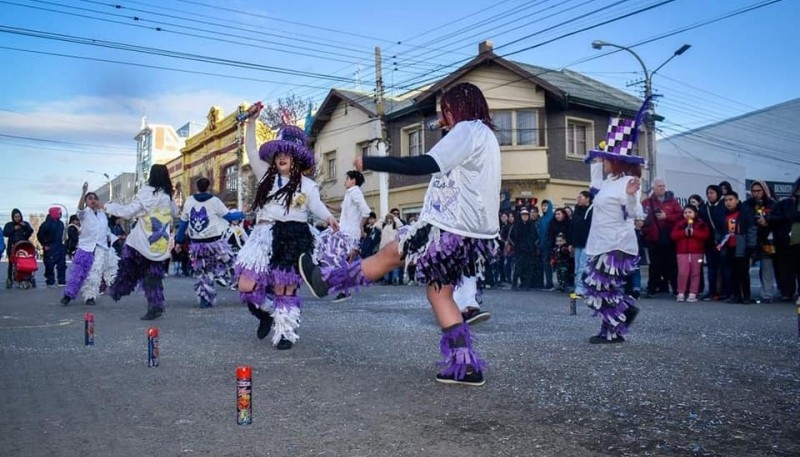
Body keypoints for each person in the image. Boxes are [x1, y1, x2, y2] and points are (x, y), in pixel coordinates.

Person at [299, 82, 499, 386]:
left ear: (456, 107)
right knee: (439, 292)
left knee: (391, 254)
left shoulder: (468, 130)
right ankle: (465, 365)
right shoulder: (486, 136)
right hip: (474, 233)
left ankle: (326, 281)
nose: (442, 116)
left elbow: (425, 163)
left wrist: (372, 162)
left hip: (450, 226)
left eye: (445, 110)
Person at [236, 108, 338, 350]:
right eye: (279, 153)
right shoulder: (265, 176)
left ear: (297, 158)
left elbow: (317, 207)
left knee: (285, 287)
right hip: (263, 235)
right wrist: (251, 122)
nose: (282, 157)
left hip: (294, 236)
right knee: (246, 285)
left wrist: (329, 218)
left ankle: (284, 333)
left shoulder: (308, 185)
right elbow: (251, 150)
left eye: (288, 154)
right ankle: (267, 313)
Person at [582, 101, 646, 344]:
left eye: (607, 158)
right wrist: (597, 159)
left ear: (616, 161)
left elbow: (634, 213)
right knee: (596, 288)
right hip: (600, 242)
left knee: (602, 288)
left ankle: (613, 328)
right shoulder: (609, 181)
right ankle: (613, 327)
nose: (604, 161)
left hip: (616, 244)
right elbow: (595, 183)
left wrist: (631, 194)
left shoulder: (629, 181)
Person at [101, 164, 178, 320]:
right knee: (154, 276)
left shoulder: (147, 193)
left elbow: (128, 212)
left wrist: (107, 206)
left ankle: (118, 289)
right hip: (159, 245)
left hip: (141, 243)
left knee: (129, 270)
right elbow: (175, 213)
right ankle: (155, 306)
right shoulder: (168, 196)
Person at [175, 177, 241, 308]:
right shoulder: (215, 201)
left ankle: (205, 298)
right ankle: (247, 287)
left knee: (203, 271)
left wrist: (179, 241)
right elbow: (228, 216)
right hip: (215, 242)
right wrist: (242, 214)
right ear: (208, 186)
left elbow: (183, 223)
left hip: (197, 244)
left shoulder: (189, 201)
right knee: (230, 263)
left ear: (197, 187)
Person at [60, 182, 118, 306]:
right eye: (89, 198)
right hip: (86, 247)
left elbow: (106, 230)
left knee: (95, 273)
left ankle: (90, 296)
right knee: (78, 272)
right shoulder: (84, 213)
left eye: (94, 198)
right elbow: (79, 209)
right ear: (86, 201)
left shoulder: (103, 215)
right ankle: (68, 295)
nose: (92, 200)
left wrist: (112, 239)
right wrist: (83, 192)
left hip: (100, 248)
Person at [318, 170, 371, 302]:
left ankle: (343, 289)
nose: (345, 181)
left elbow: (366, 211)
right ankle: (342, 288)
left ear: (353, 180)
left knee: (340, 260)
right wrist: (326, 205)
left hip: (348, 233)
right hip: (343, 231)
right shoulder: (350, 194)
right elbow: (342, 209)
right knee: (341, 260)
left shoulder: (355, 192)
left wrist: (360, 227)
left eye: (347, 178)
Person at [641, 178, 682, 297]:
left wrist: (667, 216)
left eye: (663, 186)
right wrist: (645, 230)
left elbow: (680, 216)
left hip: (669, 239)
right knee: (654, 265)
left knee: (672, 265)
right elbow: (642, 217)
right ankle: (652, 289)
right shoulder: (646, 202)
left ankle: (676, 289)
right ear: (653, 188)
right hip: (653, 239)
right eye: (659, 186)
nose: (662, 188)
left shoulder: (673, 202)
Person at [718, 191, 757, 304]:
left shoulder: (744, 212)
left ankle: (746, 296)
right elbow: (721, 230)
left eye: (730, 200)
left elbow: (751, 229)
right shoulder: (724, 214)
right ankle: (736, 295)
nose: (728, 203)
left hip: (742, 246)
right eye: (726, 200)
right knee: (732, 272)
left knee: (743, 272)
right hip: (729, 246)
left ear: (737, 200)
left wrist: (751, 245)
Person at [768, 176, 800, 304]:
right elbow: (775, 217)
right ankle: (787, 292)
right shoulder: (785, 203)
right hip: (787, 241)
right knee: (787, 269)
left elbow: (791, 216)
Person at [745, 180, 777, 303]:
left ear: (764, 190)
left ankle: (767, 295)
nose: (756, 193)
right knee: (744, 268)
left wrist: (767, 220)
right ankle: (744, 294)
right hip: (751, 239)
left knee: (767, 268)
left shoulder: (772, 204)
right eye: (753, 191)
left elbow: (777, 219)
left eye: (758, 191)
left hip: (766, 240)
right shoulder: (747, 204)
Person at [671, 205, 710, 302]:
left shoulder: (701, 224)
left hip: (697, 252)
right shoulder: (679, 224)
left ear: (695, 213)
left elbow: (705, 236)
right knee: (682, 273)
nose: (687, 214)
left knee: (695, 273)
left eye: (690, 212)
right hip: (682, 252)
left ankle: (693, 293)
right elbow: (673, 236)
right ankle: (681, 292)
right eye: (685, 212)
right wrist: (684, 232)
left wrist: (694, 233)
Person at [698, 185, 725, 301]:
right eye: (708, 192)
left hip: (723, 241)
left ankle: (724, 291)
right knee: (711, 268)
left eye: (712, 193)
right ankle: (712, 291)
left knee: (724, 267)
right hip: (709, 242)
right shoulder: (704, 207)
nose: (709, 195)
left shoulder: (723, 206)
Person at [570, 191, 593, 297]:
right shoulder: (577, 210)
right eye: (577, 197)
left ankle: (581, 287)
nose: (578, 199)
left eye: (581, 197)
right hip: (577, 242)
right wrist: (571, 242)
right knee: (577, 265)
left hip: (588, 242)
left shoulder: (592, 210)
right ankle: (578, 285)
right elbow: (573, 226)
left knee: (583, 266)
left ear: (587, 198)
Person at [37, 206, 67, 288]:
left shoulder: (61, 224)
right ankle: (50, 281)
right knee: (49, 265)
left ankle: (61, 281)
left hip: (59, 246)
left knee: (62, 265)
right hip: (50, 247)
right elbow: (39, 235)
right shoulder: (45, 224)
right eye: (59, 213)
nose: (60, 215)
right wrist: (44, 244)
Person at [3, 208, 34, 288]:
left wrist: (25, 227)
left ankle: (27, 278)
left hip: (23, 247)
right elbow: (5, 233)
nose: (17, 218)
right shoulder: (9, 225)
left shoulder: (25, 224)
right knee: (11, 264)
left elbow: (30, 231)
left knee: (25, 263)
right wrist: (14, 229)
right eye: (15, 217)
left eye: (19, 216)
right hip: (12, 247)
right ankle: (10, 278)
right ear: (13, 217)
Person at [378, 213, 403, 285]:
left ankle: (395, 279)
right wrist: (384, 218)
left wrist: (394, 217)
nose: (389, 219)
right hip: (384, 248)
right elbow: (377, 224)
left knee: (394, 264)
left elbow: (401, 224)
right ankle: (386, 279)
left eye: (390, 218)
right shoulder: (383, 226)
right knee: (386, 264)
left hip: (394, 247)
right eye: (388, 218)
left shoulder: (396, 226)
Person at [538, 199, 555, 290]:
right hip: (542, 245)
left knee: (548, 265)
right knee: (544, 264)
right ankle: (545, 283)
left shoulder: (552, 217)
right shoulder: (542, 218)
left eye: (545, 205)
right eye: (543, 205)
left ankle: (550, 284)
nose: (544, 207)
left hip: (549, 245)